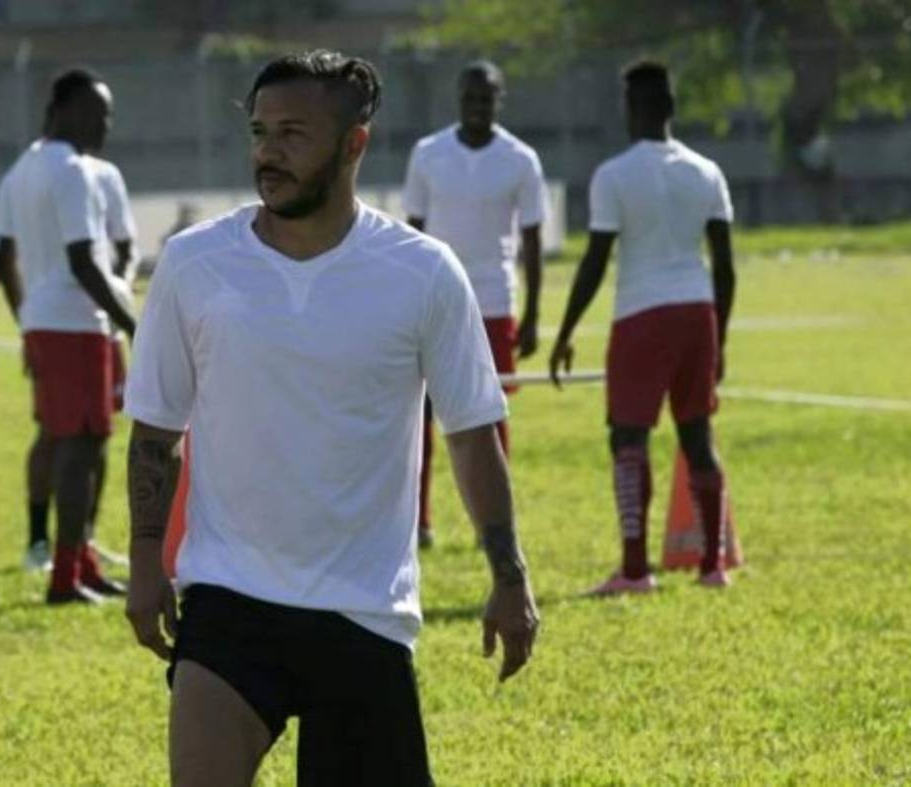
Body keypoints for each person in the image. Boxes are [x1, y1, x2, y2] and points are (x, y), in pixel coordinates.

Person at [123, 50, 540, 786]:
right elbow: (157, 430)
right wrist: (145, 562)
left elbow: (473, 438)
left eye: (293, 133)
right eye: (260, 132)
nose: (268, 152)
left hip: (363, 612)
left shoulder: (423, 272)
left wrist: (509, 575)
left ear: (354, 144)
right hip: (229, 600)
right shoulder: (195, 264)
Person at [548, 60, 737, 593]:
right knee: (696, 433)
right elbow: (725, 266)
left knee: (628, 437)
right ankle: (713, 566)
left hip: (641, 315)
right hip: (697, 312)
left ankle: (635, 570)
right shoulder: (707, 172)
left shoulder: (614, 175)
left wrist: (566, 332)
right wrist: (719, 338)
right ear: (672, 107)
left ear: (629, 109)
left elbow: (595, 260)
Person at [0, 67, 137, 605]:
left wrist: (27, 319)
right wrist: (131, 324)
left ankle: (82, 562)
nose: (105, 125)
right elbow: (83, 260)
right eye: (97, 113)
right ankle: (64, 577)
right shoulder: (71, 170)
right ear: (63, 110)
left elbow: (0, 258)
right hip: (75, 321)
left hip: (51, 320)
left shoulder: (21, 170)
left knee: (81, 439)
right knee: (80, 444)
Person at [402, 59, 549, 549]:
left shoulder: (520, 159)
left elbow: (532, 239)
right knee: (419, 415)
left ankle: (493, 525)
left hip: (494, 301)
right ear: (458, 100)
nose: (478, 106)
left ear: (499, 100)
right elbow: (414, 233)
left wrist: (532, 314)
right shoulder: (428, 154)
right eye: (470, 98)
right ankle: (418, 520)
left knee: (489, 414)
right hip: (435, 302)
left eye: (486, 98)